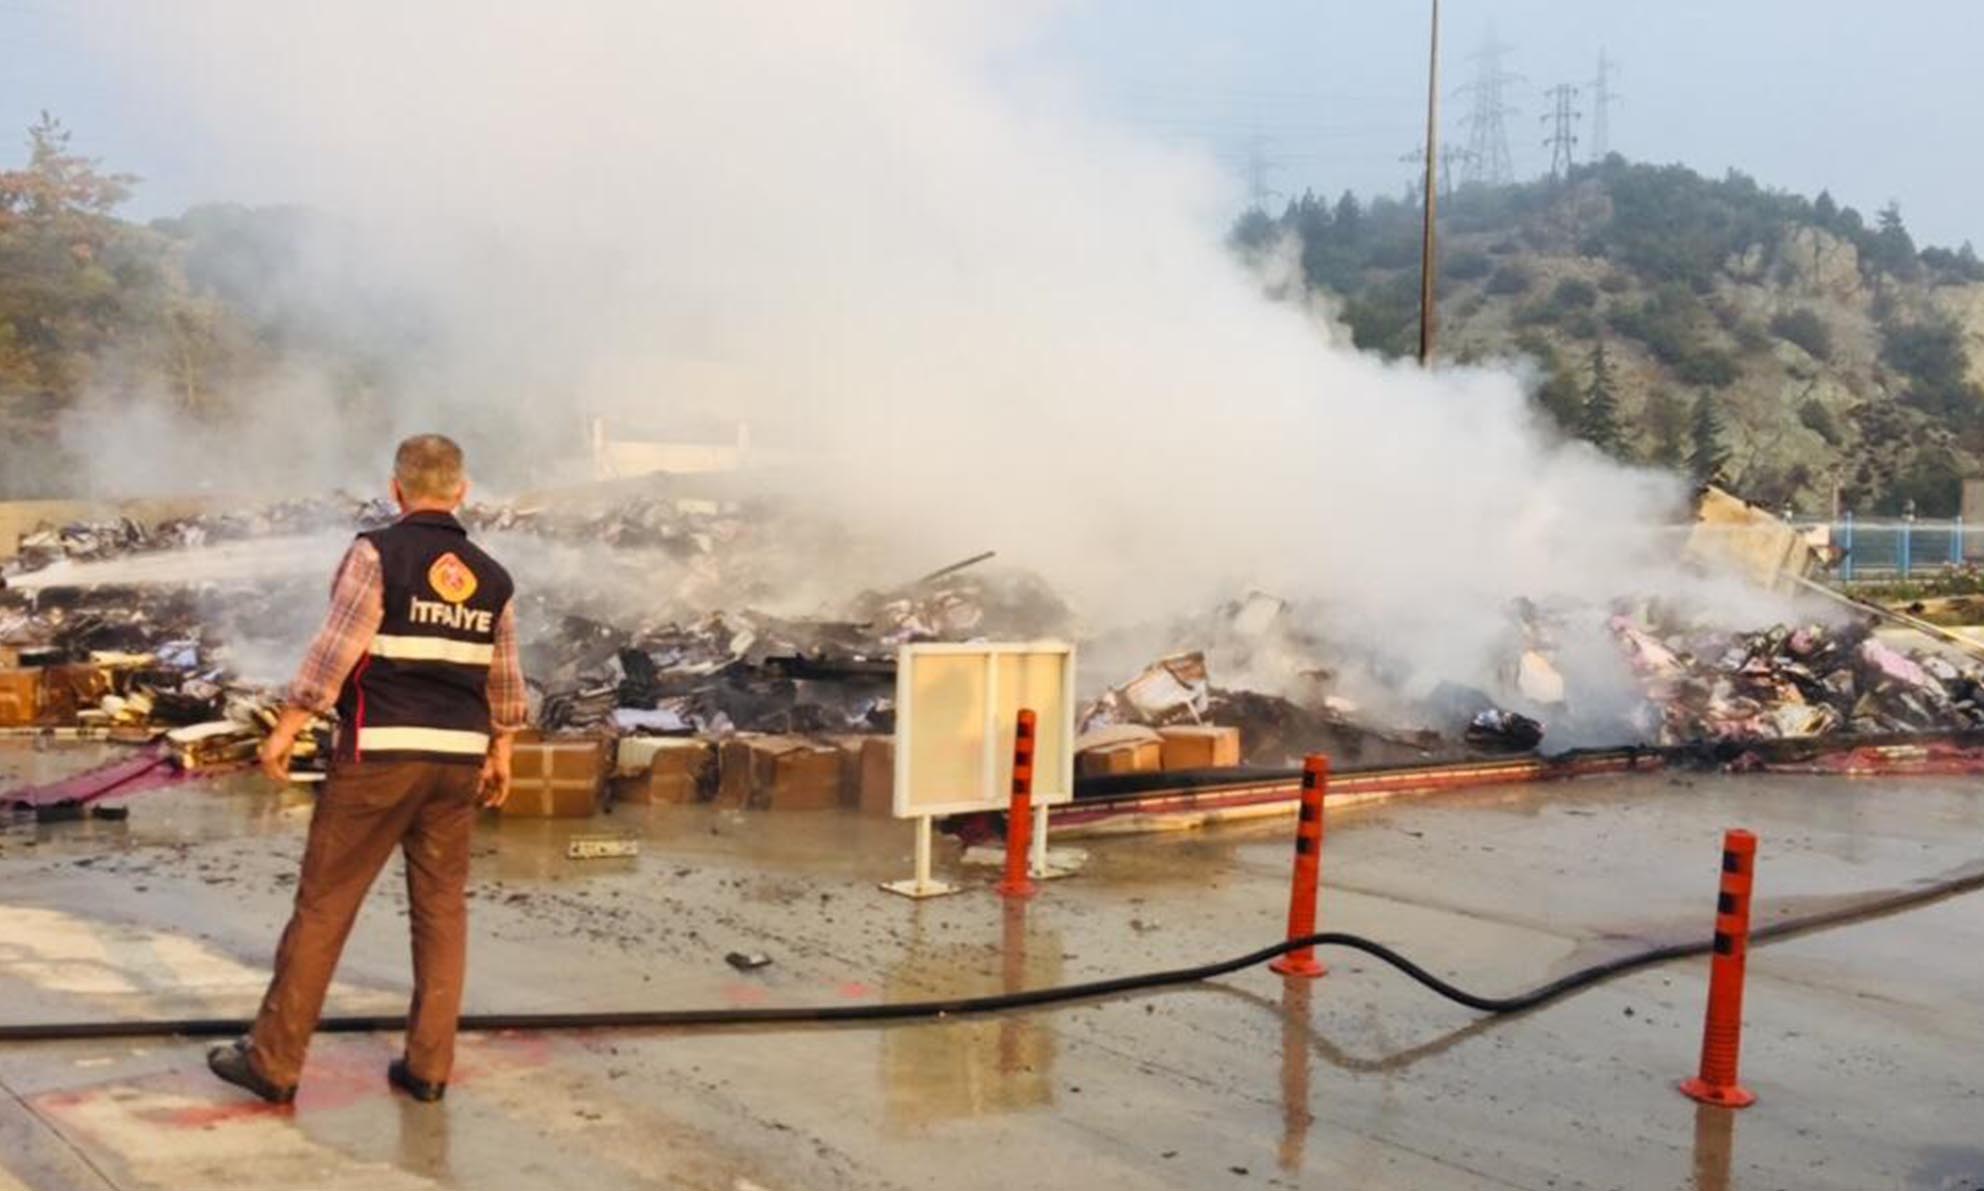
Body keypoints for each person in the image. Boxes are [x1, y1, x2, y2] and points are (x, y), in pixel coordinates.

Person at [208, 434, 525, 1105]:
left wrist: (288, 727)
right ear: (463, 490)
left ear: (398, 489)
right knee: (442, 912)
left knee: (325, 906)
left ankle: (274, 1061)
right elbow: (504, 679)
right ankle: (428, 1068)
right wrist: (501, 751)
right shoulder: (493, 576)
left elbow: (336, 649)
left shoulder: (377, 552)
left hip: (379, 754)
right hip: (456, 763)